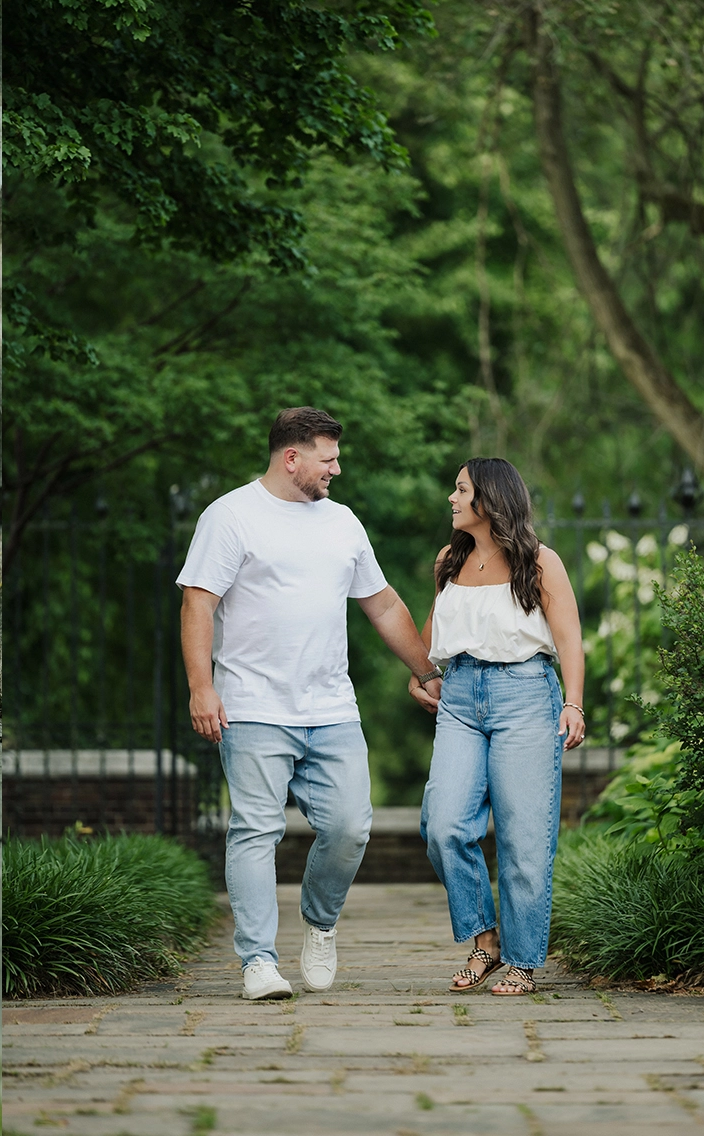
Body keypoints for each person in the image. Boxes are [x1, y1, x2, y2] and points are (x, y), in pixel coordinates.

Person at [178, 406, 443, 1001]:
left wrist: (425, 669)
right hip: (251, 704)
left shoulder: (343, 523)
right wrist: (202, 687)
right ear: (291, 457)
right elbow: (198, 603)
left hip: (330, 708)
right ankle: (258, 962)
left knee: (351, 826)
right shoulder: (230, 516)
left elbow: (381, 604)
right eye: (328, 458)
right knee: (255, 829)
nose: (338, 469)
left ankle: (319, 924)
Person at [420, 458, 585, 997]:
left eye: (461, 489)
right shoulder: (449, 560)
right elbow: (434, 636)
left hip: (526, 696)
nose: (451, 497)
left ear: (488, 500)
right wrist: (424, 677)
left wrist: (575, 704)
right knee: (443, 825)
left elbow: (569, 640)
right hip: (462, 697)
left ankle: (521, 959)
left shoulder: (539, 562)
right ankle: (484, 940)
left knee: (523, 837)